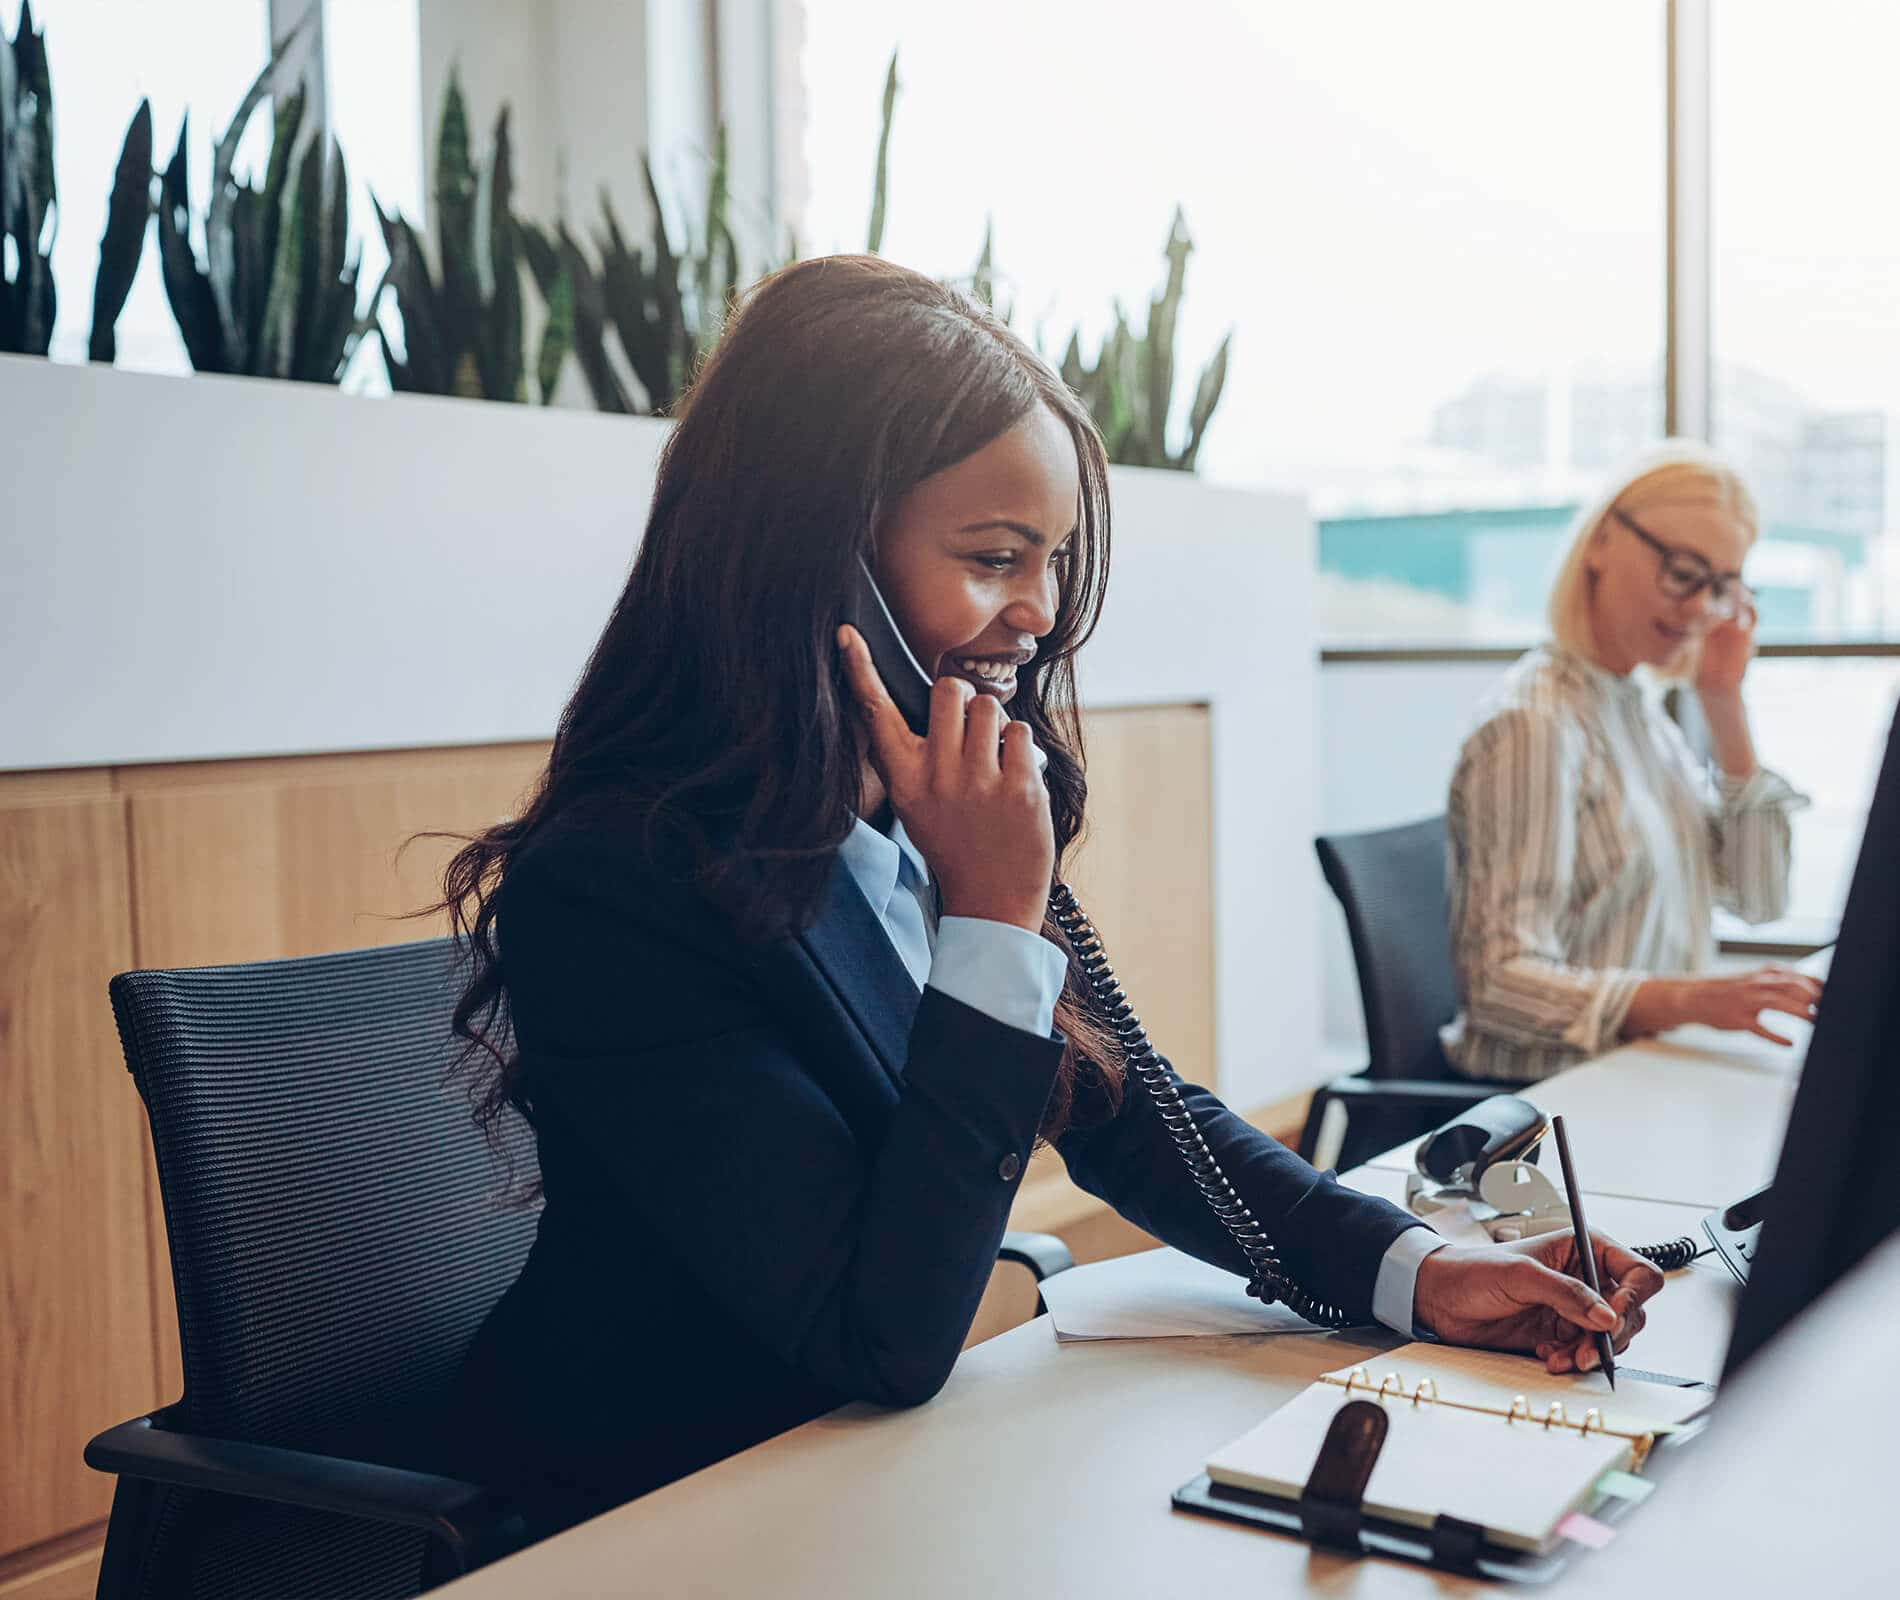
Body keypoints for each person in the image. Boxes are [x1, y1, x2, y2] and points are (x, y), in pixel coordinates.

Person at [438, 256, 1662, 1538]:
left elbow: (1138, 1120)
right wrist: (989, 921)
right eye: (990, 557)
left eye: (1051, 559)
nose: (1036, 612)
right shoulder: (621, 885)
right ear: (816, 560)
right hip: (655, 1517)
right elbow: (880, 1339)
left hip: (868, 1491)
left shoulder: (906, 827)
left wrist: (1424, 1271)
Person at [1443, 443, 1820, 1083]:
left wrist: (1725, 703)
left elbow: (1760, 898)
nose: (1703, 608)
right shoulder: (1534, 723)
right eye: (1683, 572)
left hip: (1640, 1074)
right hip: (1550, 1109)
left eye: (1722, 586)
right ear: (1602, 543)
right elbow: (1501, 983)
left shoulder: (1638, 711)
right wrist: (1687, 1000)